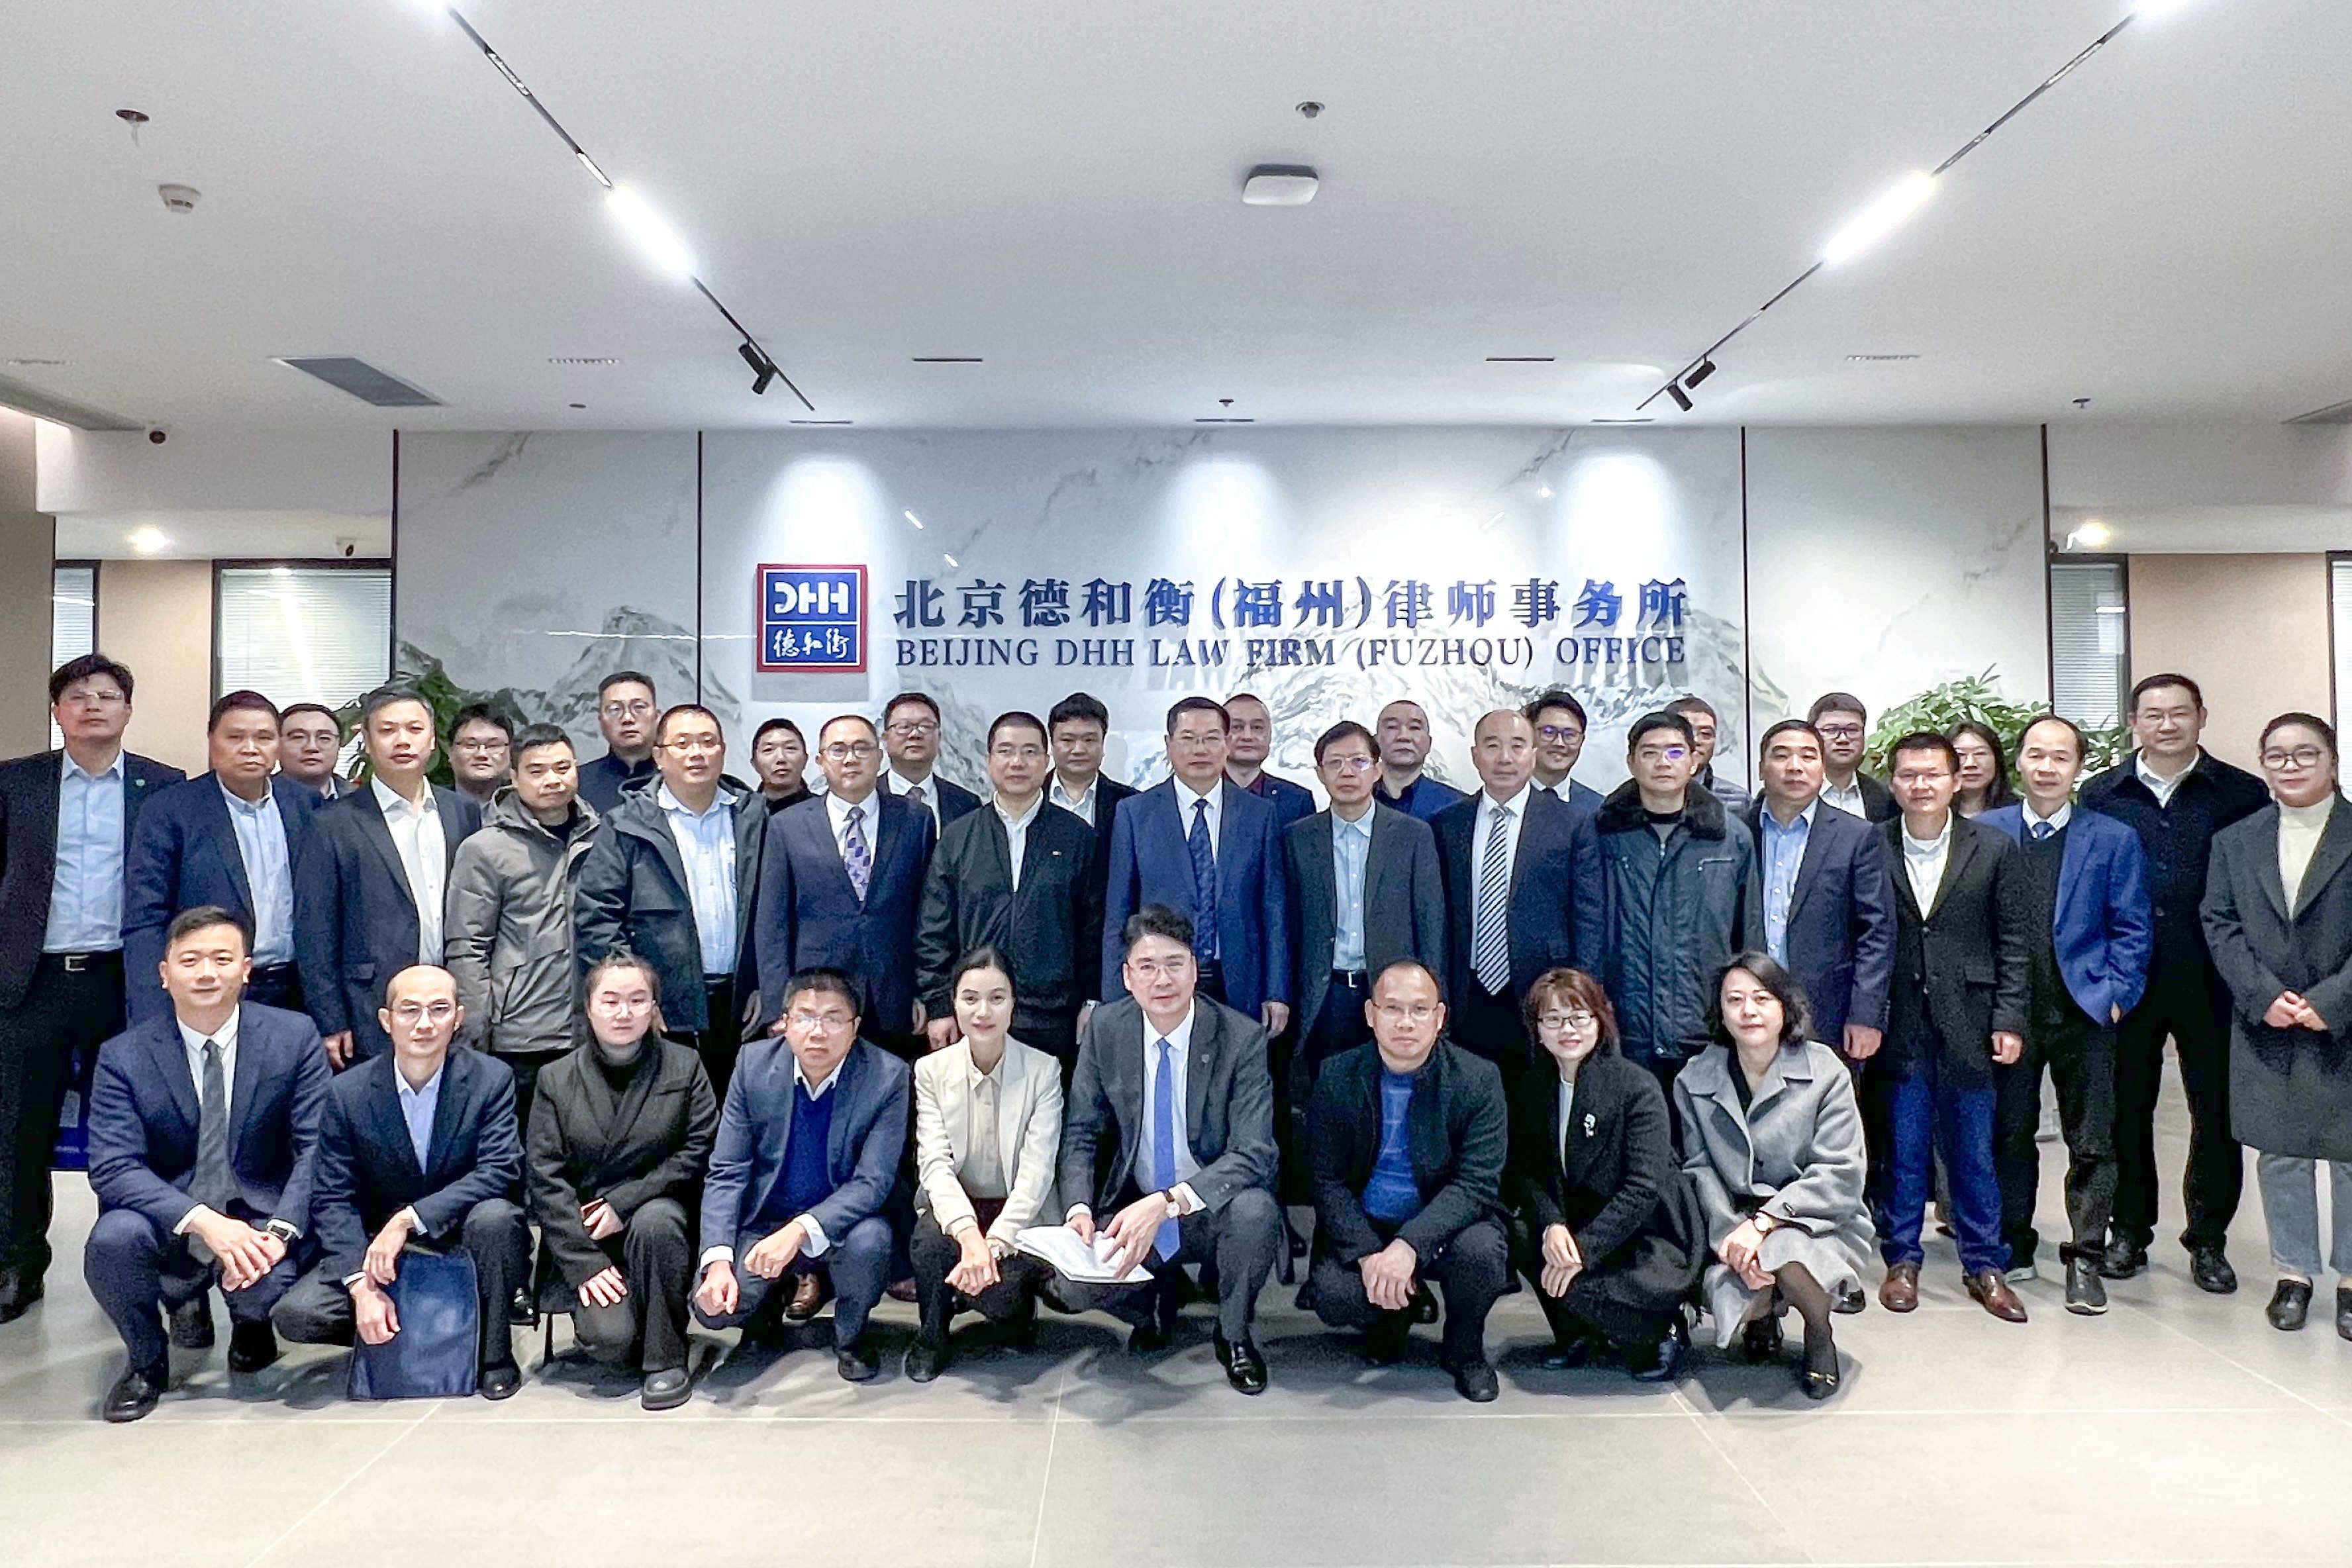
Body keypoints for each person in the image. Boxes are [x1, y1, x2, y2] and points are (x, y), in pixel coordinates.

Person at [81, 907, 330, 1420]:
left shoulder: (294, 1036)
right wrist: (202, 1220)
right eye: (190, 960)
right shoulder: (123, 1056)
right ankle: (147, 1362)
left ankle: (251, 1323)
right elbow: (113, 1166)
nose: (206, 973)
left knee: (268, 1285)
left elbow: (318, 1149)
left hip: (259, 1216)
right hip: (172, 1218)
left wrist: (280, 1232)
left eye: (222, 959)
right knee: (113, 1241)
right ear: (164, 973)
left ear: (246, 969)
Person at [0, 655, 185, 1322]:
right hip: (33, 981)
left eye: (107, 696)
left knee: (130, 1128)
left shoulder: (162, 786)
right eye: (77, 696)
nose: (93, 706)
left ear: (128, 710)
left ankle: (129, 1262)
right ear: (58, 711)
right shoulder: (16, 782)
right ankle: (17, 1264)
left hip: (123, 980)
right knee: (17, 1129)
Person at [2081, 673, 2269, 1291]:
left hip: (2214, 978)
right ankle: (2129, 1231)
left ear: (2201, 717)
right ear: (2133, 721)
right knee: (2126, 1110)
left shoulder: (2242, 794)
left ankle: (2208, 1240)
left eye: (2180, 713)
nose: (2167, 725)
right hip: (2127, 978)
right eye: (2154, 714)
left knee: (2215, 1113)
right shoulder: (2101, 794)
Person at [273, 965, 530, 1399]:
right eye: (410, 1010)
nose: (424, 1023)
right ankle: (415, 1328)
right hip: (383, 1254)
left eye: (439, 1009)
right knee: (299, 1314)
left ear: (458, 1018)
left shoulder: (491, 1078)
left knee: (497, 1218)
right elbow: (333, 1197)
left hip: (462, 1238)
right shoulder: (347, 1093)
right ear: (386, 1020)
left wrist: (410, 1218)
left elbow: (500, 1169)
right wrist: (361, 1288)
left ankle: (493, 1356)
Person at [1059, 906, 1281, 1394]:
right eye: (1147, 966)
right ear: (1127, 977)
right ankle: (1152, 1302)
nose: (1163, 980)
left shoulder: (1240, 1038)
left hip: (1207, 1206)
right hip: (1132, 1202)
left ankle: (1234, 1333)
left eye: (1175, 964)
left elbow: (1254, 1152)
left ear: (1195, 969)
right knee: (1070, 1285)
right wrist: (1078, 1209)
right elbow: (1081, 1131)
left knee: (1256, 1213)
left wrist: (1167, 1203)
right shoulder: (1107, 1029)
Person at [1980, 716, 2152, 1312]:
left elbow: (2132, 926)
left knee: (2092, 1140)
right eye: (2036, 755)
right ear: (2019, 762)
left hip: (2086, 1010)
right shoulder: (1987, 831)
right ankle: (2014, 1243)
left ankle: (2085, 1257)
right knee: (2009, 1134)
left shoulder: (2113, 838)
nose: (2047, 767)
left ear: (2079, 768)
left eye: (2060, 757)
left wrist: (2117, 993)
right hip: (2009, 1012)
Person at [1873, 731, 2033, 1322]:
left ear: (1956, 780)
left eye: (1933, 774)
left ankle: (1985, 1264)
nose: (1921, 785)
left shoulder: (1993, 847)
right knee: (1903, 1146)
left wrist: (2009, 1017)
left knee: (1974, 1150)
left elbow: (2013, 940)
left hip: (1971, 1017)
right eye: (1909, 775)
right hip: (1898, 1018)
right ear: (1894, 784)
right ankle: (1902, 1260)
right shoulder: (1871, 844)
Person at [2202, 713, 2352, 1338]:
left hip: (2344, 1019)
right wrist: (2261, 994)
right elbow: (2219, 922)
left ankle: (2351, 1280)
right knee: (2281, 1153)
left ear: (2333, 761)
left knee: (2349, 1155)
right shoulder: (2236, 840)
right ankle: (2293, 1274)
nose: (2291, 766)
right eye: (2277, 755)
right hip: (2267, 1018)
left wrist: (2334, 1000)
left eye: (2305, 754)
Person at [1305, 959, 1509, 1401]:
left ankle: (1465, 1349)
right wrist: (1368, 1256)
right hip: (1370, 1224)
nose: (1406, 1022)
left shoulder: (1478, 1079)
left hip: (1444, 1226)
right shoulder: (1337, 1076)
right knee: (1334, 1294)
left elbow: (1476, 1184)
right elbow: (1327, 1181)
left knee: (1482, 1255)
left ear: (1440, 1017)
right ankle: (1392, 1316)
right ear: (1370, 1014)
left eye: (1419, 1009)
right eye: (1393, 1008)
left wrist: (1409, 1246)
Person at [693, 969, 908, 1382]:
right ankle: (763, 1314)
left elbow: (873, 1182)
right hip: (766, 1220)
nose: (817, 1032)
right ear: (784, 1023)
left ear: (855, 1028)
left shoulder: (887, 1076)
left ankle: (851, 1336)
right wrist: (717, 1261)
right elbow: (727, 1171)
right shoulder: (753, 1065)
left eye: (833, 1018)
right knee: (713, 1311)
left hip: (843, 1225)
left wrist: (797, 1232)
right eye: (805, 1017)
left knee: (871, 1241)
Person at [1675, 954, 1872, 1400]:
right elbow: (1698, 1170)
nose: (1748, 1011)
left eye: (1762, 998)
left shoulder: (1826, 1071)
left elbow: (1841, 1172)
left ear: (1785, 1006)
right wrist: (1732, 1237)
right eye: (1735, 1000)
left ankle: (1819, 1333)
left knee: (1789, 1252)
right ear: (1720, 1011)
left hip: (1817, 1218)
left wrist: (1767, 1222)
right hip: (1732, 1224)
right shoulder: (1693, 1078)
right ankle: (1763, 1316)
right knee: (1735, 1292)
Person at [525, 953, 716, 1409]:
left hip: (661, 1223)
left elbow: (699, 1149)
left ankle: (667, 1358)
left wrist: (624, 1203)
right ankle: (632, 1324)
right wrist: (583, 1262)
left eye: (637, 1000)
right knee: (611, 1342)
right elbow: (545, 1176)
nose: (624, 1013)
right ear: (588, 1008)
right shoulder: (556, 1078)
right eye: (610, 1001)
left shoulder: (685, 1066)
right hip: (585, 1235)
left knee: (657, 1221)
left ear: (654, 1008)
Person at [1507, 967, 1701, 1380]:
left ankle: (1663, 1330)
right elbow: (1526, 1171)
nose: (1567, 1030)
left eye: (1579, 1017)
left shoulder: (1636, 1087)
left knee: (1573, 1278)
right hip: (1578, 1221)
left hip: (1643, 1232)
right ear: (1537, 1029)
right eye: (1553, 1019)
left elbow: (1643, 1188)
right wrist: (1552, 1225)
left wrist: (1581, 1250)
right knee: (1522, 1234)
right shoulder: (1533, 1085)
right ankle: (1578, 1333)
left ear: (1600, 1020)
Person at [576, 705, 765, 1100]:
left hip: (744, 1001)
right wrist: (637, 996)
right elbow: (597, 915)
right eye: (683, 743)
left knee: (740, 1113)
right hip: (665, 1004)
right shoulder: (627, 823)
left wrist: (769, 985)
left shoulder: (754, 817)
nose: (697, 753)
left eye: (707, 742)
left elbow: (777, 913)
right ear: (659, 756)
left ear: (723, 752)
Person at [294, 689, 483, 1068]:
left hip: (450, 1000)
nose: (402, 740)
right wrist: (330, 1019)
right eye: (387, 730)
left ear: (433, 740)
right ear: (366, 741)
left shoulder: (461, 812)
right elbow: (315, 929)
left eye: (414, 729)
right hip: (369, 1005)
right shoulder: (332, 823)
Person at [906, 948, 1063, 1381]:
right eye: (970, 999)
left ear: (1014, 1003)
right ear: (954, 1004)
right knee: (928, 1240)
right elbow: (934, 1165)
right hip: (959, 1209)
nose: (983, 1012)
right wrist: (969, 1236)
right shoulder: (931, 1071)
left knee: (1000, 1296)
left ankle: (1013, 1312)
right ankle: (931, 1336)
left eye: (997, 998)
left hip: (1018, 1214)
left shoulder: (1043, 1071)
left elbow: (1036, 1174)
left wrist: (991, 1245)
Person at [1584, 710, 1762, 1093]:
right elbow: (1588, 930)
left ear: (1694, 760)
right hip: (1626, 1026)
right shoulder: (1602, 834)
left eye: (1675, 752)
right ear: (1631, 762)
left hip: (1705, 1025)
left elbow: (1749, 935)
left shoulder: (1730, 837)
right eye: (1650, 753)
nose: (1663, 762)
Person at [916, 712, 1100, 1066]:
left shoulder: (1078, 838)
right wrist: (940, 1007)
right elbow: (934, 930)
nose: (1017, 762)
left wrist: (1092, 1000)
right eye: (1006, 751)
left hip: (1054, 1016)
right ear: (989, 760)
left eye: (1030, 752)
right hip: (975, 1014)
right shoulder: (958, 837)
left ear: (1046, 762)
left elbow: (1093, 929)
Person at [1099, 697, 1291, 1034]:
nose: (1200, 749)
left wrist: (1276, 991)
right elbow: (1119, 911)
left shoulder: (1259, 814)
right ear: (1169, 744)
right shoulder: (1135, 813)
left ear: (1227, 743)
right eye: (1188, 738)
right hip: (1161, 980)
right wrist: (1115, 997)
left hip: (1238, 980)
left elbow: (1273, 909)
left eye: (1211, 738)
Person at [445, 724, 599, 1136]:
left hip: (593, 1029)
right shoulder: (485, 848)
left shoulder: (603, 837)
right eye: (536, 770)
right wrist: (475, 1032)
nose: (552, 779)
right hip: (520, 1034)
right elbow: (467, 947)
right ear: (513, 777)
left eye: (562, 767)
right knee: (523, 1149)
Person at [124, 691, 318, 1019]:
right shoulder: (171, 809)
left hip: (296, 985)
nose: (250, 748)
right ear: (212, 741)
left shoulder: (306, 805)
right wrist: (152, 1008)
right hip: (210, 984)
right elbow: (146, 917)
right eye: (235, 737)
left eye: (264, 737)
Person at [1432, 710, 1595, 1095]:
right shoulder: (1446, 825)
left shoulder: (1572, 823)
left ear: (1533, 754)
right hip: (1467, 993)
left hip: (1544, 995)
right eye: (1492, 746)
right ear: (1475, 756)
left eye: (1517, 746)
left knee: (1537, 1107)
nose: (1504, 758)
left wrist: (1580, 994)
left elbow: (1589, 918)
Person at [756, 714, 936, 1048]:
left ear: (880, 756)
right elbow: (772, 925)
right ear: (821, 761)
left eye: (862, 748)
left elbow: (928, 917)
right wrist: (778, 1007)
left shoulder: (916, 820)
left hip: (895, 1001)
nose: (850, 759)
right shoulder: (787, 826)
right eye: (838, 750)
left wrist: (926, 993)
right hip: (816, 1004)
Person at [1284, 720, 1447, 1081]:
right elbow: (1289, 924)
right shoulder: (1298, 838)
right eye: (1335, 763)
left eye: (1359, 762)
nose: (1347, 772)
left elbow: (1430, 924)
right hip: (1325, 995)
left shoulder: (1412, 836)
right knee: (1327, 1093)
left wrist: (1435, 999)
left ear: (1377, 770)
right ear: (1320, 774)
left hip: (1394, 997)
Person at [1744, 719, 1895, 1065]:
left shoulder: (1857, 836)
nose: (1794, 766)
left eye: (1808, 756)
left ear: (1822, 768)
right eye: (1781, 756)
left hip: (1829, 1010)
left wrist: (1866, 1014)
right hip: (1748, 1009)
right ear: (1761, 768)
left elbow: (1876, 933)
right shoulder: (1737, 832)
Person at [880, 691, 982, 832]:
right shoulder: (867, 796)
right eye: (904, 727)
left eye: (925, 726)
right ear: (885, 739)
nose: (915, 734)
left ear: (939, 737)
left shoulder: (967, 804)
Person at [1224, 692, 1316, 830]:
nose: (1247, 736)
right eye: (1237, 727)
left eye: (1257, 728)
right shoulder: (1203, 795)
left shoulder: (1297, 800)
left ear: (1270, 735)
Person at [577, 671, 660, 815]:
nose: (627, 718)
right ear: (601, 722)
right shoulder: (579, 783)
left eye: (639, 707)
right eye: (615, 709)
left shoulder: (678, 777)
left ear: (657, 717)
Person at [1808, 693, 1898, 824]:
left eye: (1852, 730)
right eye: (1831, 730)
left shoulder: (1886, 799)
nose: (1843, 739)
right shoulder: (1791, 791)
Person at [1372, 699, 1468, 822]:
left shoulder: (1458, 805)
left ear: (1429, 743)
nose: (1403, 736)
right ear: (1375, 741)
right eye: (1392, 727)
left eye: (1414, 728)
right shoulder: (1355, 800)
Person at [1667, 695, 1749, 814]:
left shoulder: (1737, 800)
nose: (1696, 740)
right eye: (1686, 732)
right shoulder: (1643, 793)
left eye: (1705, 734)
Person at [1525, 689, 1603, 813]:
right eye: (1548, 732)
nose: (1559, 743)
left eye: (1570, 735)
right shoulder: (1506, 796)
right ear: (1529, 734)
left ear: (1582, 740)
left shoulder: (1599, 809)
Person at [275, 703, 349, 799]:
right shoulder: (261, 798)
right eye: (298, 737)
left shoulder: (362, 799)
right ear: (277, 745)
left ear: (339, 744)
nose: (312, 747)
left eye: (324, 738)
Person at [448, 703, 514, 808]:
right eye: (471, 745)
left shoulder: (528, 809)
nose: (481, 754)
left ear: (511, 752)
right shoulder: (431, 806)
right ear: (450, 752)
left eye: (493, 745)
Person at [1951, 719, 2016, 818]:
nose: (1970, 764)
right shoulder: (1931, 814)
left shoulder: (2018, 815)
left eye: (1980, 754)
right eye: (1960, 754)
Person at [751, 718, 813, 814]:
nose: (781, 758)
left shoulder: (824, 812)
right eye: (768, 750)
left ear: (806, 759)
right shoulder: (741, 814)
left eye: (790, 748)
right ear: (754, 763)